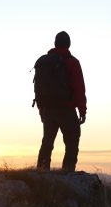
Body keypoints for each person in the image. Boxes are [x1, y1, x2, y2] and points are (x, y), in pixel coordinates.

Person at [36, 31, 87, 172]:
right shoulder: (72, 62)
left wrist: (41, 108)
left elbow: (40, 87)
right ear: (69, 44)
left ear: (55, 43)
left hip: (48, 109)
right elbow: (79, 88)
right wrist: (82, 110)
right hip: (66, 109)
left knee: (47, 142)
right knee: (72, 142)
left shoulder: (44, 62)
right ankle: (68, 173)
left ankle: (41, 172)